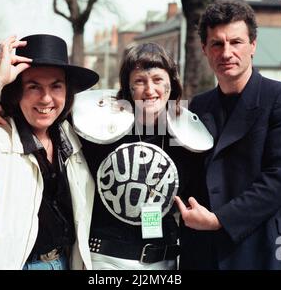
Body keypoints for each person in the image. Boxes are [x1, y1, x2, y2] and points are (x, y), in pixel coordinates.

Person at [0, 34, 99, 270]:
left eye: (56, 86)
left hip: (65, 262)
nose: (46, 98)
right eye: (34, 87)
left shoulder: (73, 137)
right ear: (17, 92)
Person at [175, 0, 281, 270]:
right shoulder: (199, 105)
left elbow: (280, 180)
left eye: (236, 42)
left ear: (253, 45)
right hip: (208, 251)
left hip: (269, 249)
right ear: (204, 49)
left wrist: (219, 220)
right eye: (217, 44)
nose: (226, 53)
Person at [77, 43, 213, 270]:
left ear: (171, 83)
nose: (150, 90)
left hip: (164, 261)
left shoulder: (188, 137)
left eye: (158, 79)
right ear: (128, 87)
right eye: (140, 81)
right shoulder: (99, 126)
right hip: (106, 260)